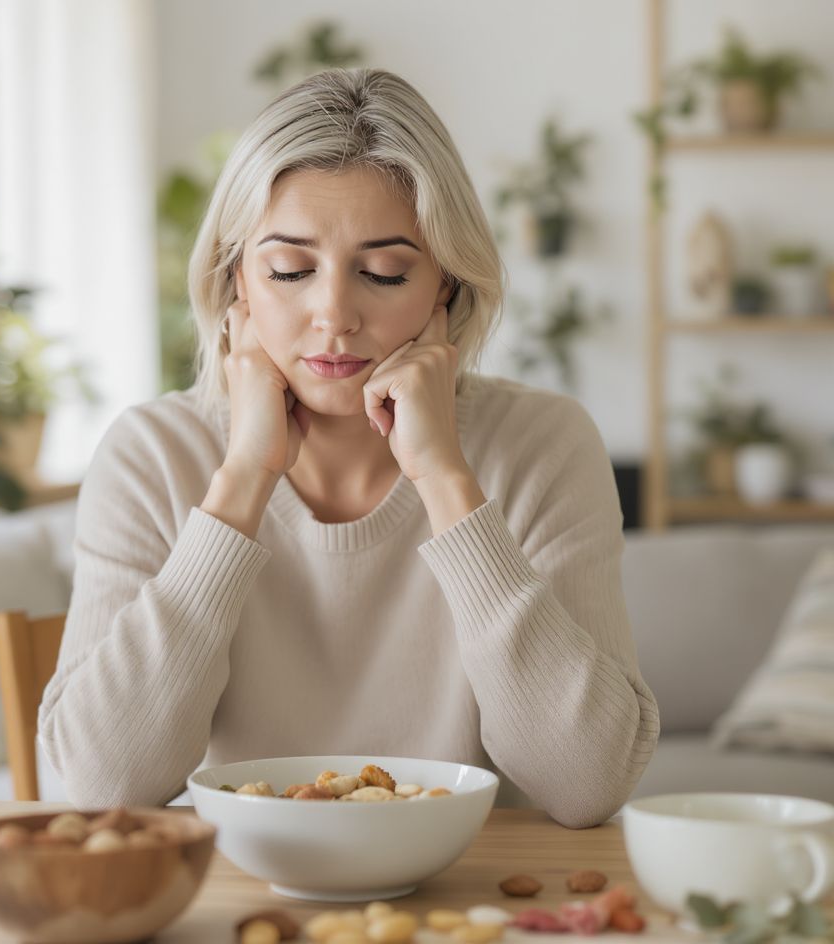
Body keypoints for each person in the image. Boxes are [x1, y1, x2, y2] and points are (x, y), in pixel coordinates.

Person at [39, 67, 659, 828]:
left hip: (477, 900)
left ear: (446, 288)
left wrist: (443, 478)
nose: (333, 315)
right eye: (290, 270)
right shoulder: (150, 453)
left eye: (384, 272)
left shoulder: (543, 445)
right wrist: (242, 479)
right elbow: (104, 786)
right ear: (238, 280)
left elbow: (588, 784)